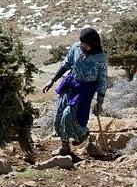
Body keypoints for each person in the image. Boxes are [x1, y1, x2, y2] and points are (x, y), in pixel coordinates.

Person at [43, 27, 109, 158]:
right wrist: (52, 80)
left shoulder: (100, 58)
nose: (83, 45)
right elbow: (66, 64)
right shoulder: (76, 48)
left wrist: (99, 101)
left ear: (93, 43)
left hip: (85, 91)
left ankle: (83, 133)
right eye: (82, 42)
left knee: (69, 114)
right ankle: (64, 147)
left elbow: (102, 80)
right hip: (71, 85)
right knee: (61, 113)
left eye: (86, 43)